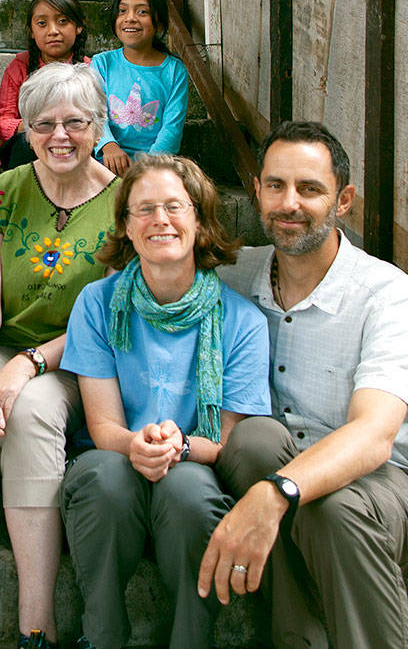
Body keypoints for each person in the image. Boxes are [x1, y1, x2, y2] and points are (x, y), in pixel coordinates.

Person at [199, 121, 408, 648]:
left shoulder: (390, 296)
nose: (289, 203)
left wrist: (278, 493)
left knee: (332, 507)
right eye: (276, 186)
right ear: (256, 190)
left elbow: (374, 435)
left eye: (310, 189)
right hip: (272, 467)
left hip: (380, 488)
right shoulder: (232, 278)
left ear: (343, 200)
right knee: (254, 439)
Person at [0, 62, 118, 649]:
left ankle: (36, 627)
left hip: (79, 355)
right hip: (3, 341)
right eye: (43, 124)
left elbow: (108, 315)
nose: (59, 136)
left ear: (99, 124)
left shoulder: (124, 202)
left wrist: (30, 364)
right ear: (27, 129)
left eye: (75, 122)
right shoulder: (2, 190)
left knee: (33, 409)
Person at [59, 155, 270, 648]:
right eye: (144, 209)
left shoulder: (241, 322)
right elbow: (103, 424)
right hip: (116, 456)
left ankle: (190, 639)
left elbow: (230, 442)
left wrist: (178, 444)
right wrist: (139, 444)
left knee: (189, 492)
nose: (160, 220)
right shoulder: (96, 303)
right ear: (127, 229)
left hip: (197, 462)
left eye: (174, 206)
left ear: (199, 222)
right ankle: (102, 634)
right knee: (103, 478)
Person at [92, 0, 189, 175]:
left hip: (156, 164)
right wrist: (108, 145)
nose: (130, 18)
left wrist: (147, 167)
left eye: (142, 12)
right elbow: (93, 112)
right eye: (122, 11)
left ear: (159, 23)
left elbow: (172, 129)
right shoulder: (102, 63)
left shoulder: (174, 71)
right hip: (106, 160)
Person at [0, 0, 90, 171]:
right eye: (42, 23)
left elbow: (98, 120)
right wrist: (41, 128)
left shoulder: (89, 69)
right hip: (30, 146)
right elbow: (3, 121)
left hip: (73, 146)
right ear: (31, 30)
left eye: (62, 21)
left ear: (79, 26)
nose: (53, 31)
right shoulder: (19, 67)